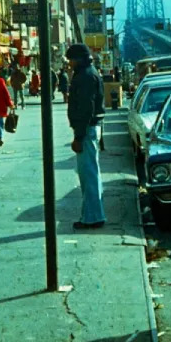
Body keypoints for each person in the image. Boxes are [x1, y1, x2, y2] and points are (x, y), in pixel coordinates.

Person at [66, 44, 106, 229]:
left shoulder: (84, 77)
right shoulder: (90, 73)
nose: (70, 63)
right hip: (91, 128)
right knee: (92, 173)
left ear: (79, 59)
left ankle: (92, 217)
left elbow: (85, 108)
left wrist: (78, 137)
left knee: (88, 175)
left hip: (87, 130)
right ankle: (95, 214)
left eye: (71, 60)